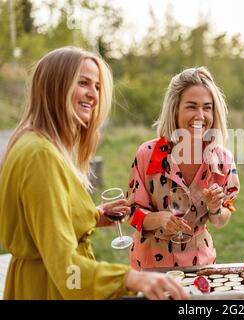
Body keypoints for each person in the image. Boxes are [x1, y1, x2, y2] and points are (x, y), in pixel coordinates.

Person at [0, 47, 188, 300]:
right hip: (48, 288)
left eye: (98, 86)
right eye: (83, 83)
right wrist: (132, 277)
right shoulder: (40, 155)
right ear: (56, 87)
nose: (94, 94)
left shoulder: (33, 142)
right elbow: (66, 269)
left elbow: (41, 224)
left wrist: (92, 216)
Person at [126, 67, 240, 270]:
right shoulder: (147, 154)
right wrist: (159, 219)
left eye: (207, 107)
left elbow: (222, 220)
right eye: (191, 106)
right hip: (150, 263)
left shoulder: (223, 161)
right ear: (175, 109)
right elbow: (132, 214)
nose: (200, 115)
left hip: (199, 263)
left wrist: (215, 207)